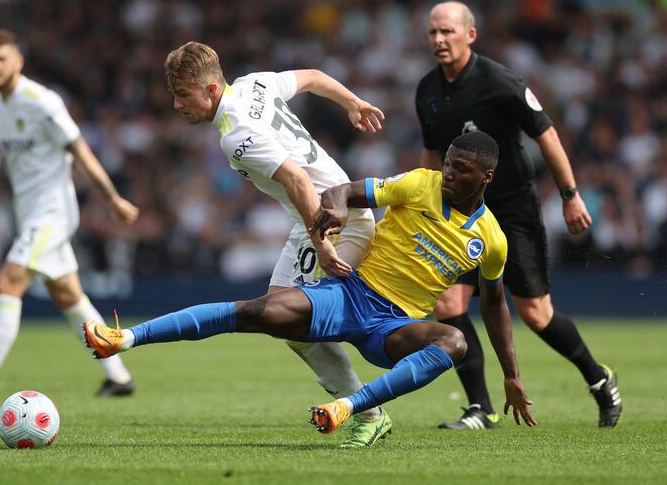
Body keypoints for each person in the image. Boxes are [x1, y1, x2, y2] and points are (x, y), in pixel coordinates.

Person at [84, 131, 538, 441]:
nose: (449, 174)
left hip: (394, 327)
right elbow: (344, 191)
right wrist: (337, 209)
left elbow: (495, 305)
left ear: (486, 177)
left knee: (454, 340)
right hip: (349, 296)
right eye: (447, 164)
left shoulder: (491, 239)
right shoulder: (420, 184)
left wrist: (512, 376)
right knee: (260, 312)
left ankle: (351, 407)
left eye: (460, 169)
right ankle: (125, 338)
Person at [164, 42, 390, 447]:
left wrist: (321, 243)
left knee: (298, 320)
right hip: (321, 218)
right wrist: (352, 102)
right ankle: (365, 407)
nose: (177, 105)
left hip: (336, 221)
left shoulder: (236, 135)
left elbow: (299, 181)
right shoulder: (254, 85)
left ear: (211, 89)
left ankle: (367, 409)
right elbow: (315, 78)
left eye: (183, 94)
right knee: (288, 322)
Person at [416, 1, 621, 429]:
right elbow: (432, 156)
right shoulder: (427, 91)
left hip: (512, 209)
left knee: (535, 314)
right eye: (433, 32)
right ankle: (480, 409)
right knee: (448, 302)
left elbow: (545, 134)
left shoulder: (500, 81)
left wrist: (570, 195)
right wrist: (426, 206)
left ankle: (598, 378)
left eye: (448, 32)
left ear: (470, 35)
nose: (439, 40)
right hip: (463, 214)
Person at [0, 29, 139, 398]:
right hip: (29, 212)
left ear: (19, 61)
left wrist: (111, 198)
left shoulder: (43, 102)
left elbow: (81, 152)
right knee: (69, 297)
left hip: (53, 213)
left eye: (2, 59)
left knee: (6, 283)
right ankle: (119, 376)